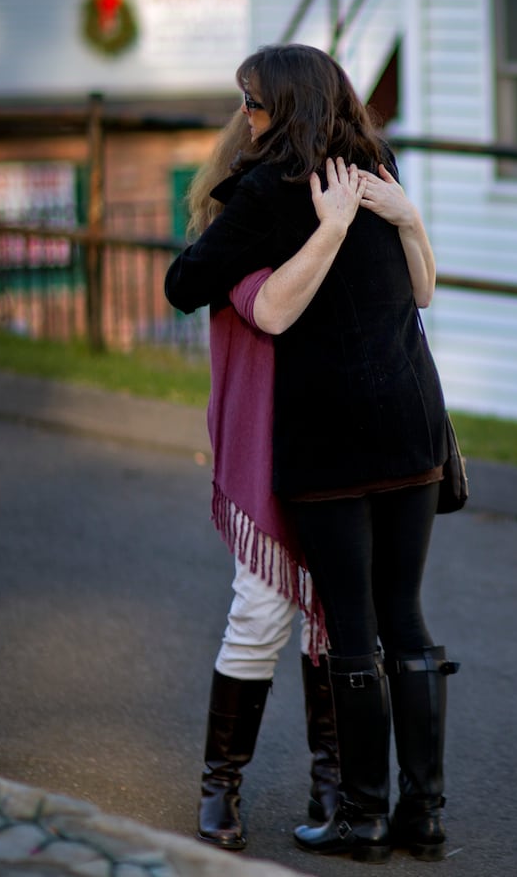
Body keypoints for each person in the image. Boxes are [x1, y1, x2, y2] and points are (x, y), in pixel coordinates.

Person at [164, 43, 457, 865]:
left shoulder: (264, 192)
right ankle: (421, 816)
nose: (245, 117)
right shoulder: (377, 162)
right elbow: (422, 293)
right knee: (403, 621)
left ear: (285, 107)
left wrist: (352, 228)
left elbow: (186, 286)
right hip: (412, 428)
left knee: (355, 629)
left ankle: (360, 816)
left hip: (333, 437)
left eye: (253, 103)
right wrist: (390, 218)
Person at [183, 110, 361, 852]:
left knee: (329, 613)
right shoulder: (236, 238)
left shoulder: (327, 232)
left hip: (332, 449)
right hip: (266, 451)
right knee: (259, 614)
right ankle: (220, 785)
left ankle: (332, 778)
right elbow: (273, 311)